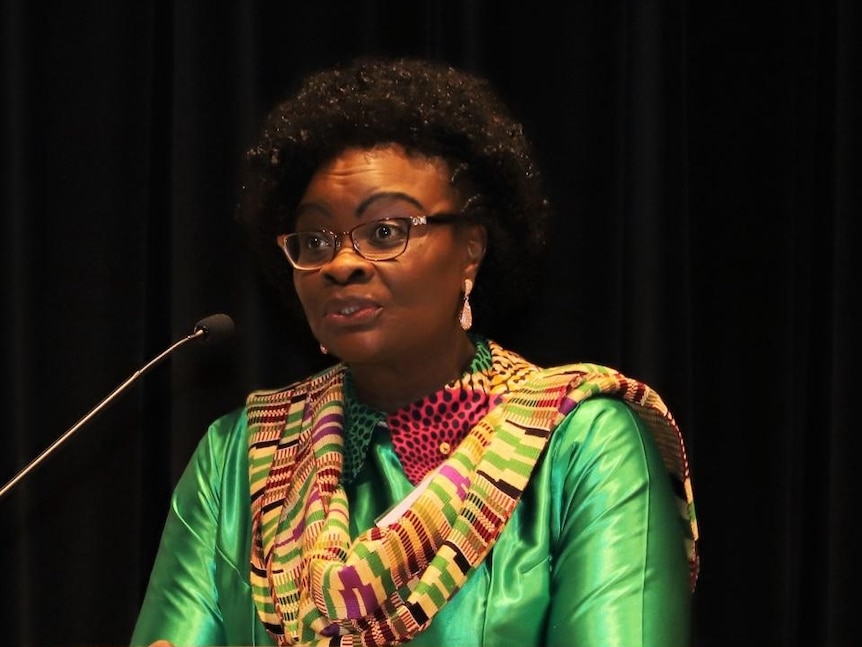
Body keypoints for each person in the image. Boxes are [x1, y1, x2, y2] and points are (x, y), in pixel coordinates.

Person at [131, 56, 699, 647]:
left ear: (471, 251)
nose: (342, 264)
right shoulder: (239, 455)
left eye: (385, 232)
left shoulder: (584, 444)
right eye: (315, 238)